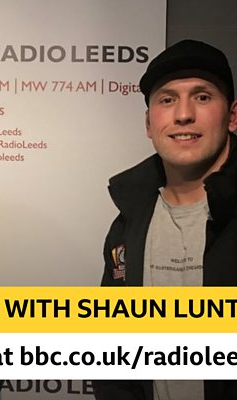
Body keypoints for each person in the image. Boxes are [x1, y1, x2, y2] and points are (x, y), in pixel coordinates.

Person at [93, 40, 237, 400]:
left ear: (232, 116)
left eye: (202, 97)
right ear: (149, 122)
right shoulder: (128, 222)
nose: (183, 115)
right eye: (167, 99)